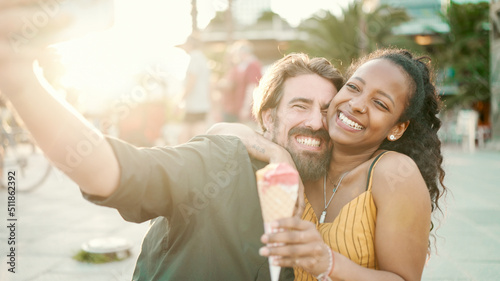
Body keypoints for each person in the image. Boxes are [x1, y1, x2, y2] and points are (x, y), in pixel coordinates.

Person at [0, 5, 344, 278]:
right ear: (268, 118)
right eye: (300, 106)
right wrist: (21, 81)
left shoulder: (339, 190)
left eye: (327, 111)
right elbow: (111, 171)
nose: (316, 122)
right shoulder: (222, 162)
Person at [210, 48, 447, 281]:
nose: (357, 105)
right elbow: (220, 132)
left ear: (397, 128)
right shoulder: (308, 155)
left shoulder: (395, 173)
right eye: (353, 87)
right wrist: (277, 154)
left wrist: (329, 263)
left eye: (380, 104)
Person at [177, 34, 212, 143]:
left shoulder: (195, 57)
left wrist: (180, 100)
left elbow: (191, 81)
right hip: (200, 104)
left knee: (187, 137)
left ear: (190, 45)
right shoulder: (202, 58)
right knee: (192, 135)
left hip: (195, 105)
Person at [219, 40, 262, 123]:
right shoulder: (243, 66)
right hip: (238, 111)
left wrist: (246, 108)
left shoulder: (253, 65)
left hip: (248, 112)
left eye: (236, 53)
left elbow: (252, 88)